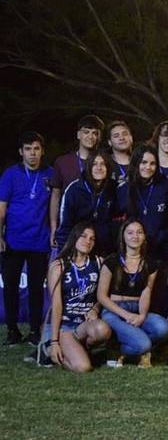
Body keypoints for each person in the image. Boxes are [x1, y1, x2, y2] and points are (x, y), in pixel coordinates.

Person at [1, 131, 54, 346]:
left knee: (36, 289)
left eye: (36, 148)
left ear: (42, 150)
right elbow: (1, 209)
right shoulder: (10, 174)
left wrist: (53, 232)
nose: (32, 153)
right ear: (21, 151)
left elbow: (54, 205)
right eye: (28, 149)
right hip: (13, 241)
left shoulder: (50, 174)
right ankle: (12, 330)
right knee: (11, 287)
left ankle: (34, 330)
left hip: (40, 242)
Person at [97, 219, 168, 367]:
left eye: (139, 232)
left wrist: (142, 316)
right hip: (114, 311)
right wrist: (126, 315)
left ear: (144, 237)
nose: (135, 236)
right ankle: (124, 348)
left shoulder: (150, 264)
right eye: (130, 232)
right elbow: (101, 296)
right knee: (143, 345)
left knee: (163, 328)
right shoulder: (111, 261)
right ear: (123, 236)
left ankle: (125, 350)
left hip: (136, 309)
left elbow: (146, 292)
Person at [46, 222, 111, 372]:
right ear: (74, 237)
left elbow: (103, 295)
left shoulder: (99, 263)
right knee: (83, 367)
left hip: (84, 324)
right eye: (83, 236)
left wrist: (95, 308)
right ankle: (48, 350)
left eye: (92, 238)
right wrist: (54, 341)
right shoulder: (59, 266)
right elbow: (56, 305)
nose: (87, 241)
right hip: (65, 325)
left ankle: (82, 349)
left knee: (103, 329)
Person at [49, 114, 105, 248]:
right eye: (86, 132)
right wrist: (53, 227)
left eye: (95, 133)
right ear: (78, 134)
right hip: (69, 228)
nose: (90, 136)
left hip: (96, 230)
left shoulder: (103, 163)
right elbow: (56, 196)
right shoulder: (63, 162)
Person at [116, 144, 168, 260]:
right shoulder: (124, 189)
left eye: (152, 163)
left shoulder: (167, 186)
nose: (148, 167)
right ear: (136, 163)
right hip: (133, 251)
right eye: (143, 162)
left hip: (162, 250)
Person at [56, 150, 117, 256]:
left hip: (106, 252)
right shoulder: (74, 190)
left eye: (103, 164)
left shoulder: (113, 188)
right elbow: (64, 228)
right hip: (79, 252)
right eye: (94, 164)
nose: (99, 168)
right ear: (89, 167)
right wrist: (65, 256)